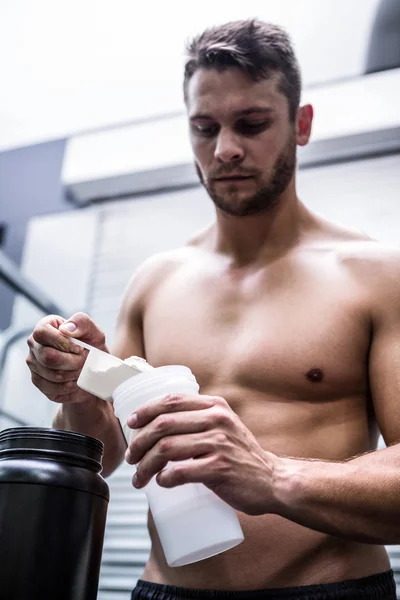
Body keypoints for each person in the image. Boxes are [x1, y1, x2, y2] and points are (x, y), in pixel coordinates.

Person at [26, 19, 399, 600]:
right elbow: (101, 456)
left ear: (301, 125)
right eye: (205, 128)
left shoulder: (377, 275)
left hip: (327, 591)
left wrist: (273, 477)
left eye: (252, 124)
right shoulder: (155, 280)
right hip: (165, 591)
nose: (225, 148)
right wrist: (80, 395)